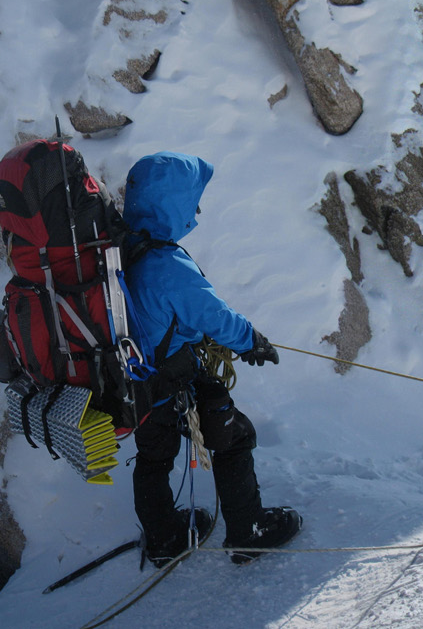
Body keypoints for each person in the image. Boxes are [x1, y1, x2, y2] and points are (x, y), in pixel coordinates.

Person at [121, 151, 301, 565]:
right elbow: (213, 316)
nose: (196, 211)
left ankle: (164, 539)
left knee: (153, 457)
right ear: (172, 204)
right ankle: (249, 532)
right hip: (174, 379)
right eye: (191, 201)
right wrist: (251, 341)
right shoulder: (166, 264)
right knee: (234, 437)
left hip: (134, 382)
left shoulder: (123, 248)